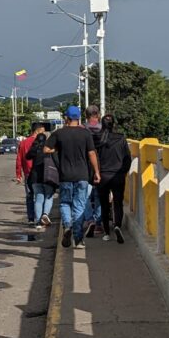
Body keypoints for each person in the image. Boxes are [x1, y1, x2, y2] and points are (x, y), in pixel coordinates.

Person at [44, 106, 100, 249]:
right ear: (79, 118)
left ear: (66, 118)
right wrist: (97, 172)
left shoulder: (59, 133)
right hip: (82, 175)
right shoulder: (85, 134)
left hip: (65, 176)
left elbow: (46, 149)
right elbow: (92, 154)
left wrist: (57, 148)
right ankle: (79, 239)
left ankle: (67, 226)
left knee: (65, 203)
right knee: (79, 206)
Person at [96, 114, 132, 243]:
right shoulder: (121, 138)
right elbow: (127, 158)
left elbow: (93, 157)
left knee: (104, 204)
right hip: (117, 175)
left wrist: (95, 173)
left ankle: (106, 232)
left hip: (103, 176)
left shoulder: (97, 138)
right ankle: (117, 225)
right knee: (118, 202)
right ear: (114, 124)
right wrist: (123, 172)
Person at [16, 122, 45, 225]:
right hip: (40, 172)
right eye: (43, 131)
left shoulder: (23, 143)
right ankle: (40, 217)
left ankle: (31, 218)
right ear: (38, 131)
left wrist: (18, 174)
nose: (44, 133)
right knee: (40, 195)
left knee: (29, 196)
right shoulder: (43, 142)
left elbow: (19, 159)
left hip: (28, 173)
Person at [26, 132, 56, 228]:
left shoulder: (35, 149)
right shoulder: (50, 149)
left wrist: (35, 145)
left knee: (38, 199)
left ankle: (38, 222)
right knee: (48, 196)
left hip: (35, 177)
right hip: (48, 176)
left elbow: (27, 156)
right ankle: (45, 214)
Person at [83, 105, 103, 238]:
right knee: (100, 197)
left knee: (84, 196)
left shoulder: (82, 129)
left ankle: (89, 219)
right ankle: (98, 223)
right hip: (102, 166)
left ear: (86, 115)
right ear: (98, 114)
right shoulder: (104, 129)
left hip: (85, 167)